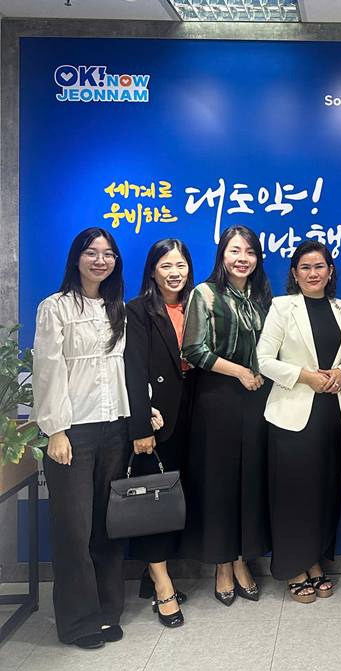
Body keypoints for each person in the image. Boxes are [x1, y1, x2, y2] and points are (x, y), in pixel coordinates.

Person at [32, 227, 129, 649]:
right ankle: (78, 621)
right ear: (77, 258)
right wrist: (55, 429)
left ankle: (107, 610)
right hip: (73, 430)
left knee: (107, 526)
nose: (100, 261)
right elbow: (48, 370)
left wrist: (142, 407)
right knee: (74, 528)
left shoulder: (116, 308)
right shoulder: (55, 307)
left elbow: (123, 366)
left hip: (115, 427)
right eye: (92, 253)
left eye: (108, 254)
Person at [180, 224, 272, 606]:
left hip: (257, 399)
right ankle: (222, 564)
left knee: (250, 480)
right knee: (219, 483)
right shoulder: (204, 294)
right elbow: (192, 349)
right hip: (217, 398)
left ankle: (241, 559)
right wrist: (240, 372)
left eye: (249, 252)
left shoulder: (263, 297)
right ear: (222, 254)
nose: (242, 259)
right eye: (235, 251)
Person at [257, 241, 341, 603]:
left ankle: (314, 562)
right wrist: (304, 376)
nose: (313, 273)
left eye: (319, 266)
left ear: (330, 271)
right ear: (295, 274)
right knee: (293, 495)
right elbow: (263, 359)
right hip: (290, 415)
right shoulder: (282, 307)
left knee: (323, 493)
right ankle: (294, 568)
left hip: (330, 413)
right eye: (305, 268)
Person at [124, 239, 195, 628]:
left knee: (176, 504)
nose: (174, 273)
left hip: (194, 420)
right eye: (166, 265)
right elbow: (133, 371)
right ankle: (163, 586)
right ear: (152, 270)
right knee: (154, 505)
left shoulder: (196, 306)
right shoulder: (138, 310)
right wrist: (139, 426)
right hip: (156, 424)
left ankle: (152, 577)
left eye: (180, 265)